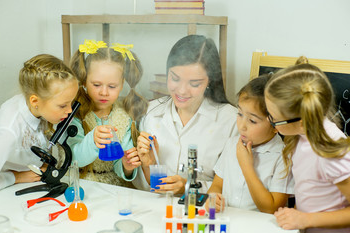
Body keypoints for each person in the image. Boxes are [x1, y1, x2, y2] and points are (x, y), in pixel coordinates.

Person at [135, 35, 238, 194]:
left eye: (194, 83)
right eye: (175, 78)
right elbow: (143, 186)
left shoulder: (231, 121)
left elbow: (235, 187)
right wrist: (149, 164)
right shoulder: (150, 113)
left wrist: (188, 188)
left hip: (203, 213)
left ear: (210, 80)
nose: (182, 91)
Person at [265, 57, 350, 233]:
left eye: (273, 118)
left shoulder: (331, 152)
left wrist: (305, 219)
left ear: (301, 123)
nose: (269, 122)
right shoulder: (302, 137)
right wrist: (296, 217)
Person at [0, 54, 79, 193]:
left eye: (71, 103)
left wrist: (42, 165)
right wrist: (16, 177)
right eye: (63, 106)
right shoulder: (8, 131)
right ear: (35, 101)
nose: (69, 111)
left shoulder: (41, 109)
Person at [205, 74, 294, 213]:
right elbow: (217, 184)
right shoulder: (232, 144)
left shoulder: (283, 157)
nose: (242, 126)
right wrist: (213, 196)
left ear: (276, 125)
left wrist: (246, 166)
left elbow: (271, 208)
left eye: (252, 121)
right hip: (228, 221)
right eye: (240, 114)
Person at [68, 40, 148, 187]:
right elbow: (73, 158)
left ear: (122, 84)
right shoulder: (74, 114)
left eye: (112, 86)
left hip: (113, 187)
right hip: (81, 184)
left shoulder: (125, 117)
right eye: (96, 85)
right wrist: (93, 139)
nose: (104, 92)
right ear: (85, 81)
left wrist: (126, 166)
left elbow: (120, 161)